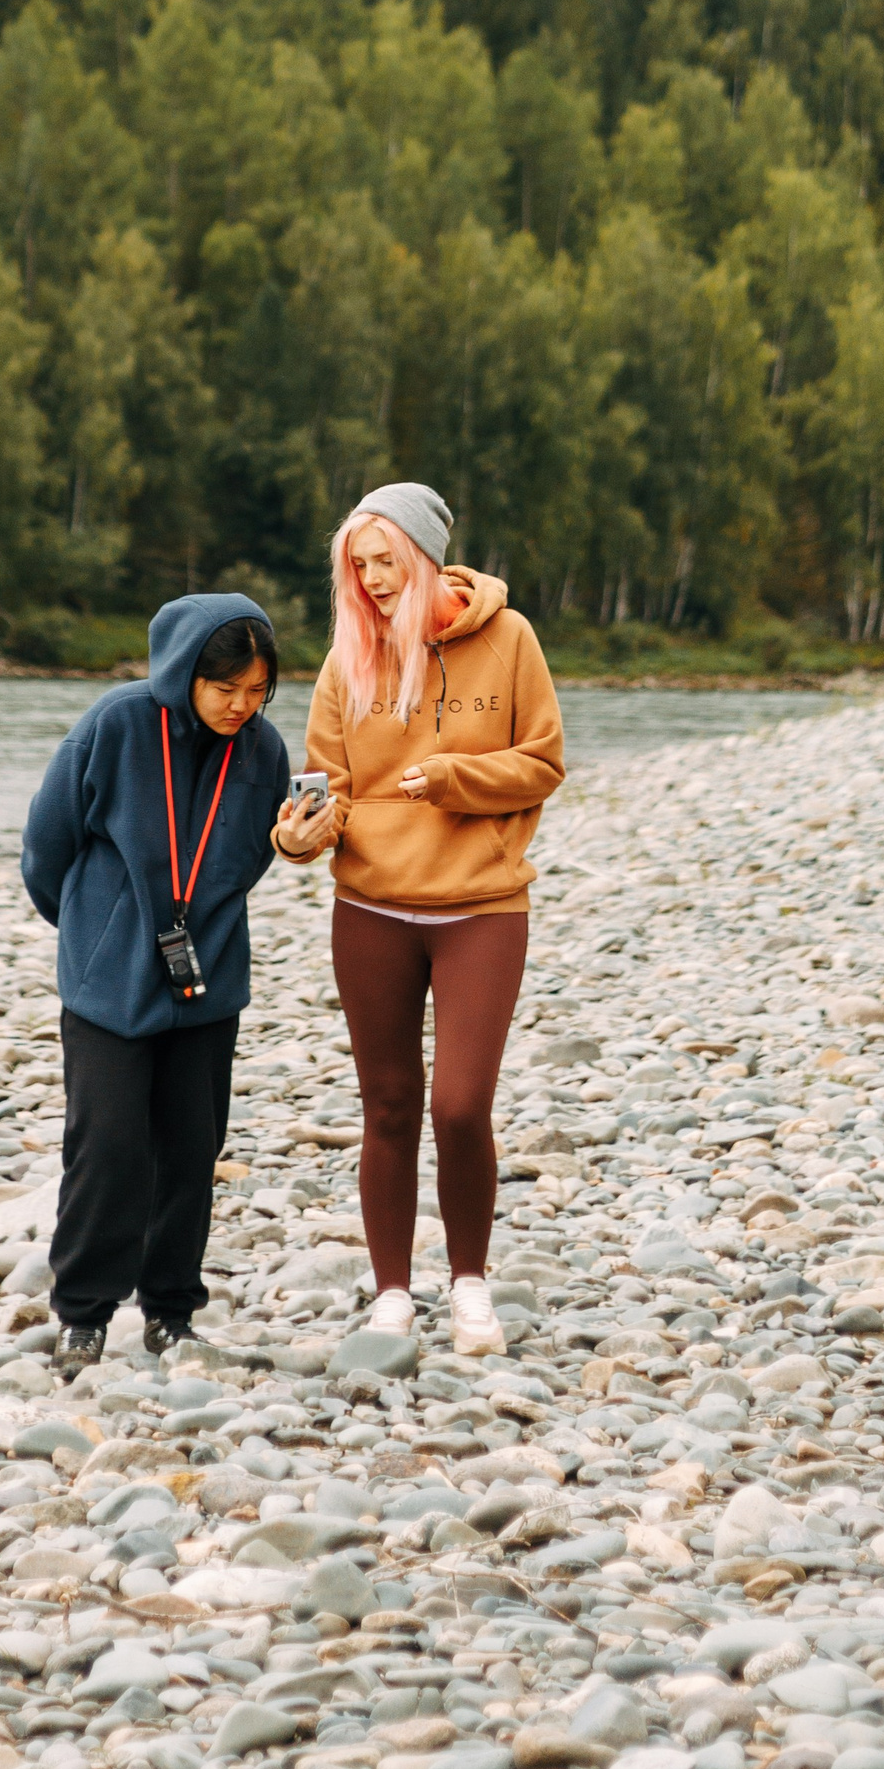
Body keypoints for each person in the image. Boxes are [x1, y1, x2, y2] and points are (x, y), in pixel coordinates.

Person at [274, 481, 563, 1355]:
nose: (370, 582)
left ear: (427, 556)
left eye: (384, 562)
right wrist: (299, 837)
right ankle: (393, 1293)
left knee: (462, 1104)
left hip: (481, 906)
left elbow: (544, 763)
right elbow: (328, 794)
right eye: (357, 567)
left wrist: (451, 778)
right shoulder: (345, 661)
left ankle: (469, 1286)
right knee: (389, 1105)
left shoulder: (510, 640)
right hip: (370, 910)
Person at [23, 593, 289, 1371]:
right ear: (183, 675)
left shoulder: (263, 753)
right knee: (105, 1147)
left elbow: (251, 858)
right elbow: (47, 845)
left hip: (207, 982)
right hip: (107, 985)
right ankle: (83, 1313)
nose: (240, 706)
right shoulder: (117, 723)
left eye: (256, 692)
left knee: (190, 1150)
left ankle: (171, 1311)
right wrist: (92, 936)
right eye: (224, 689)